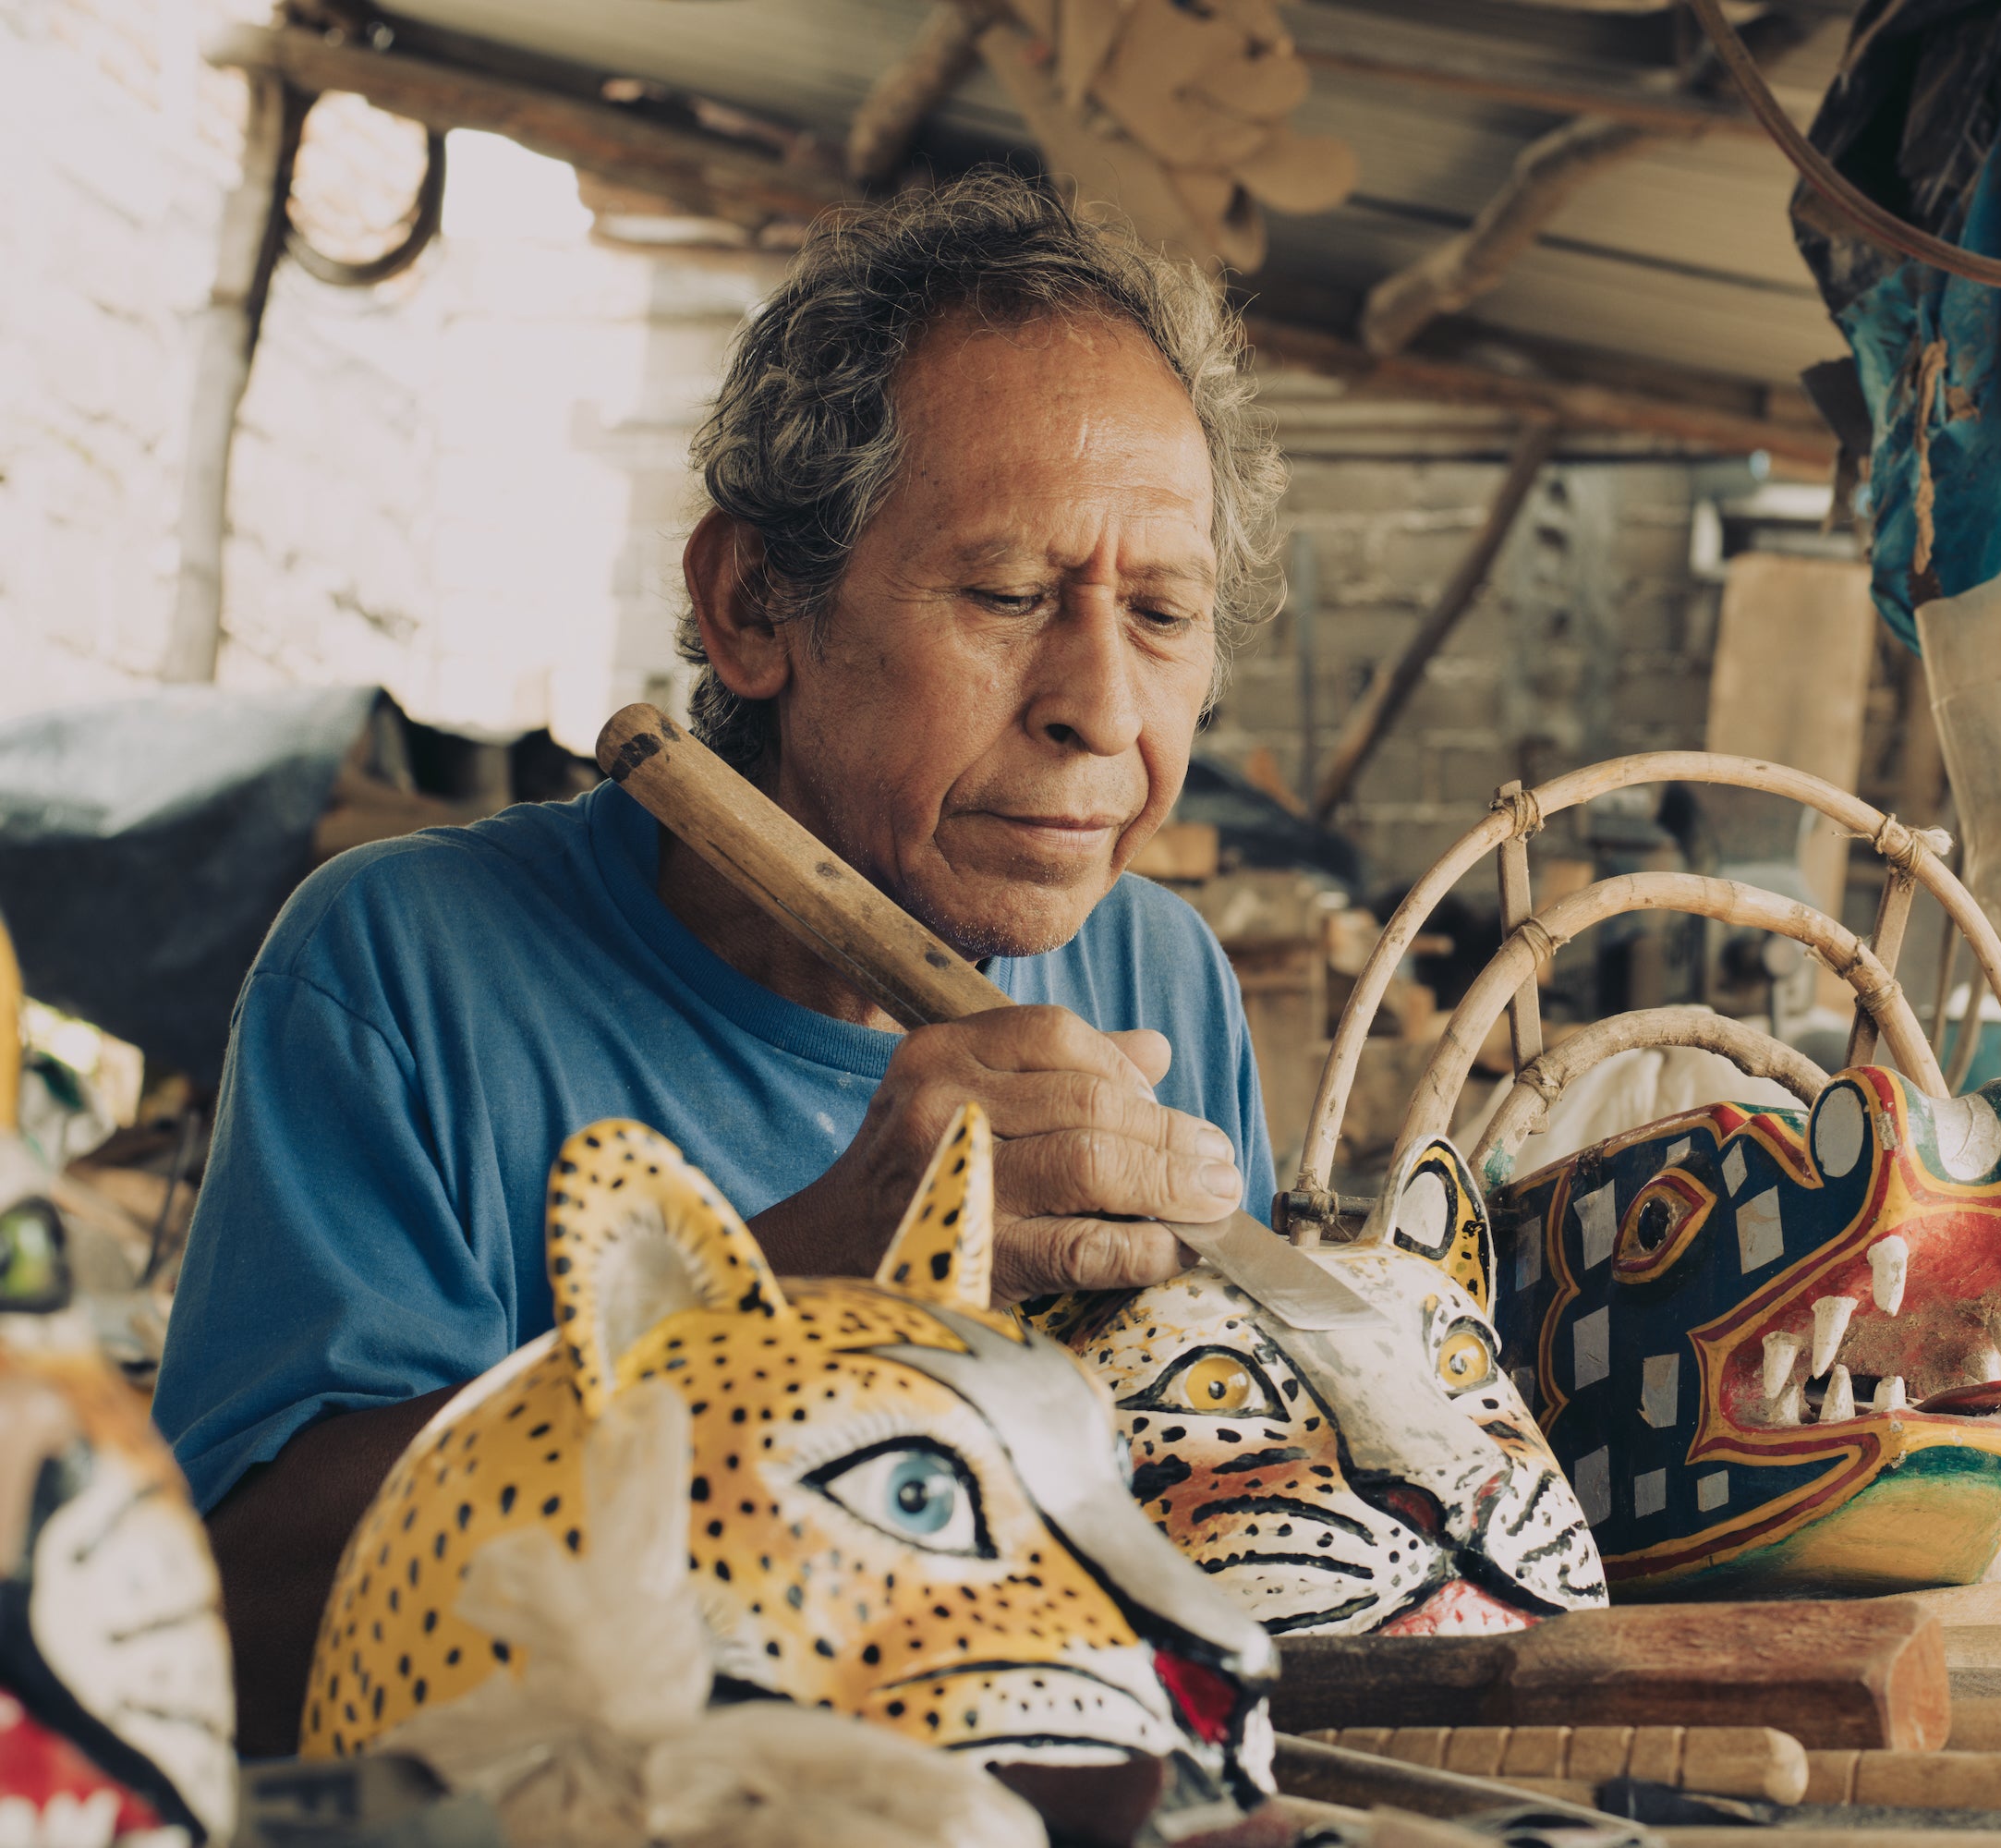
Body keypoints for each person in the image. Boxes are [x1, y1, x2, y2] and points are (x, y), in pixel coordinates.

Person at [151, 172, 1288, 1754]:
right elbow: (229, 1632)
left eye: (1162, 613)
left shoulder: (1160, 980)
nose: (1101, 701)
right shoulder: (407, 969)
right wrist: (805, 1284)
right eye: (1011, 595)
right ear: (754, 606)